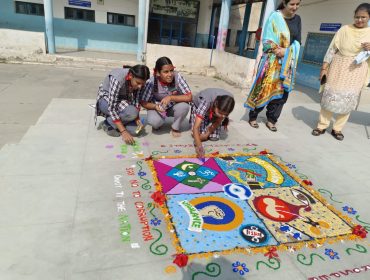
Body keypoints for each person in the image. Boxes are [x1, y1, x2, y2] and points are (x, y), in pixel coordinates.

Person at [312, 3, 370, 141]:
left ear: (369, 18)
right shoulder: (344, 29)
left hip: (358, 70)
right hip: (338, 65)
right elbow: (332, 49)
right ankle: (321, 125)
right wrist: (324, 68)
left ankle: (337, 128)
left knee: (348, 99)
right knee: (330, 96)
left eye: (363, 17)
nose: (360, 20)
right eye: (357, 17)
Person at [244, 0, 301, 132]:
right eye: (292, 4)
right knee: (263, 87)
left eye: (298, 4)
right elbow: (266, 40)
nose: (295, 7)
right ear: (284, 3)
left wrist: (287, 52)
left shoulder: (297, 19)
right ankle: (253, 116)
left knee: (282, 93)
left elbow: (298, 41)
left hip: (287, 63)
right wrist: (277, 50)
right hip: (271, 60)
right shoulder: (274, 17)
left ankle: (272, 120)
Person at [95, 64, 150, 144]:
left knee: (136, 131)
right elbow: (112, 107)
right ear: (131, 76)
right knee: (132, 112)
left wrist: (137, 118)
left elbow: (136, 100)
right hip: (106, 101)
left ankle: (113, 122)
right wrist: (123, 131)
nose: (140, 87)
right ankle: (107, 123)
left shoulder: (139, 82)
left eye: (142, 84)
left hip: (123, 103)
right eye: (138, 83)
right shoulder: (117, 78)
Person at [140, 57, 192, 137]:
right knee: (155, 122)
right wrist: (155, 106)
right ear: (157, 73)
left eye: (171, 70)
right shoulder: (151, 82)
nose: (170, 74)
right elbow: (143, 102)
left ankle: (175, 127)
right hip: (157, 107)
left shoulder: (178, 77)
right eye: (166, 72)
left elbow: (189, 97)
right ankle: (158, 122)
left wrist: (171, 98)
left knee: (184, 106)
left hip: (173, 106)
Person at [191, 88, 235, 158]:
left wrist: (207, 134)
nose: (222, 116)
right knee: (198, 136)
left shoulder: (229, 102)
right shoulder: (206, 102)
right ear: (216, 104)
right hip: (199, 107)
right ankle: (202, 120)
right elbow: (196, 127)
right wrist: (199, 147)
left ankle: (208, 121)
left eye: (225, 114)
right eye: (220, 113)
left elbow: (219, 120)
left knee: (214, 137)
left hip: (213, 111)